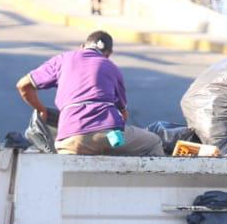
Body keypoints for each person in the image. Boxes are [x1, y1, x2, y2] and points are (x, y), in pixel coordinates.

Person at [15, 31, 163, 155]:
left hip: (69, 139)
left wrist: (42, 110)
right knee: (153, 142)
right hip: (109, 138)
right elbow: (123, 114)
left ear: (82, 47)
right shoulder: (111, 67)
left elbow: (23, 85)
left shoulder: (63, 59)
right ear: (108, 54)